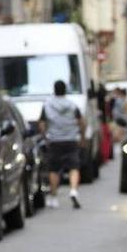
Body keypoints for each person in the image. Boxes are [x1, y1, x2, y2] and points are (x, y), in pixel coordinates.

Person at [39, 80, 86, 209]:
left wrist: (45, 137)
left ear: (54, 90)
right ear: (65, 90)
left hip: (55, 141)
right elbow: (81, 122)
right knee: (74, 167)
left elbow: (42, 124)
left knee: (54, 170)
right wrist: (82, 137)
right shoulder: (72, 105)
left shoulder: (47, 105)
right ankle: (74, 190)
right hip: (71, 140)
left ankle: (54, 197)